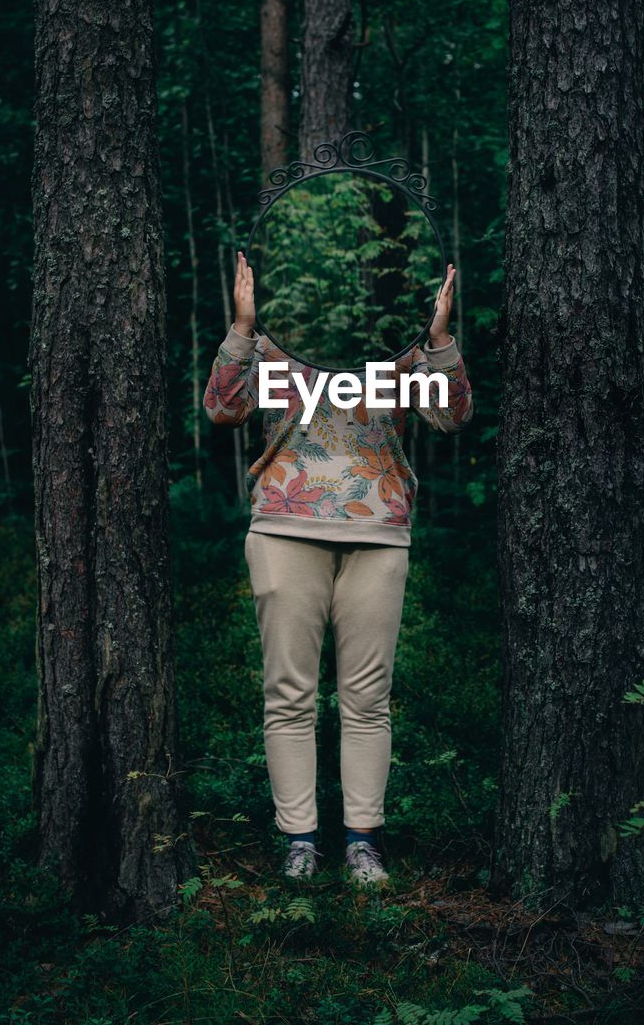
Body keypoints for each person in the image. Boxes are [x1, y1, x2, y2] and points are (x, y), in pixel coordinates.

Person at [203, 251, 473, 887]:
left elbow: (450, 416)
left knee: (367, 699)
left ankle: (362, 844)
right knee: (290, 695)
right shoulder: (273, 346)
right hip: (284, 528)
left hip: (378, 532)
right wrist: (242, 327)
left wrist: (437, 340)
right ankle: (299, 844)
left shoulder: (397, 350)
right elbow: (222, 409)